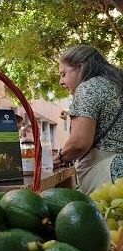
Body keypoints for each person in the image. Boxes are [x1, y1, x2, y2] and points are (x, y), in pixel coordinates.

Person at [55, 44, 123, 194]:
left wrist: (59, 157)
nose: (61, 82)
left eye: (63, 74)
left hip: (112, 178)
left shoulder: (88, 88)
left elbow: (79, 143)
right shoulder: (116, 86)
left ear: (80, 67)